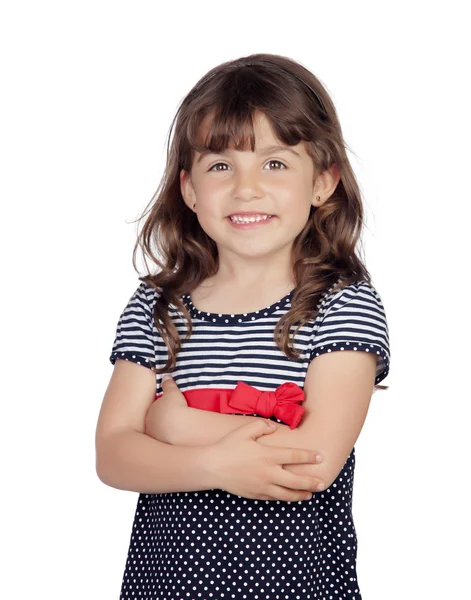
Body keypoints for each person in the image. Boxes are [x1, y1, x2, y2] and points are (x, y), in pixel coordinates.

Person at [95, 53, 391, 600]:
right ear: (189, 189)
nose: (246, 188)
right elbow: (113, 454)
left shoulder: (342, 305)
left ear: (323, 182)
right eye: (220, 166)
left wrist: (180, 430)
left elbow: (314, 462)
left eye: (275, 164)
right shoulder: (157, 307)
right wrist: (215, 464)